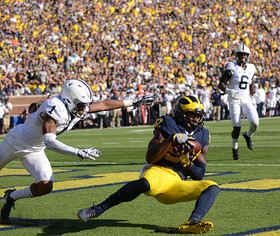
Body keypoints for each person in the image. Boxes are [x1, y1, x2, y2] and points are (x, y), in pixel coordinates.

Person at [0, 79, 154, 221]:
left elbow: (103, 105)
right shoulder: (55, 107)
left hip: (35, 149)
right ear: (69, 101)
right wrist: (78, 151)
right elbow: (50, 142)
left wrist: (132, 102)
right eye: (81, 105)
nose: (85, 109)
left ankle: (11, 196)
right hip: (15, 142)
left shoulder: (75, 106)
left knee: (45, 185)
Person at [77, 95, 220, 234]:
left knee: (212, 187)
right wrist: (170, 141)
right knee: (146, 183)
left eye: (198, 116)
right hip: (160, 172)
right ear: (180, 114)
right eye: (191, 115)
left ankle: (192, 222)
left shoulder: (203, 134)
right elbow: (150, 157)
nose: (196, 119)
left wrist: (186, 163)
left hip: (178, 183)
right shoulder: (168, 123)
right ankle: (98, 209)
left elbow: (199, 175)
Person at [218, 44, 259, 160]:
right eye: (240, 55)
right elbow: (221, 84)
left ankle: (248, 135)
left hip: (246, 99)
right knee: (237, 126)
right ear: (236, 55)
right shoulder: (232, 67)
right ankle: (235, 148)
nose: (242, 57)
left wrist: (254, 94)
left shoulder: (251, 68)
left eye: (245, 55)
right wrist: (227, 91)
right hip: (234, 100)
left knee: (255, 123)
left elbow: (250, 82)